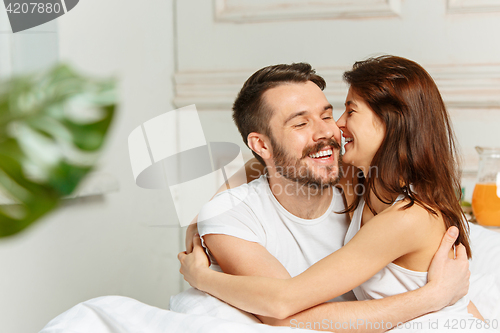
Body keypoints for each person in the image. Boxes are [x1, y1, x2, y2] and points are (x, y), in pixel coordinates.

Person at [178, 60, 473, 331]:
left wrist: (202, 278)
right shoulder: (360, 178)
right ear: (262, 145)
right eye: (301, 123)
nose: (333, 129)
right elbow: (269, 163)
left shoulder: (394, 207)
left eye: (331, 114)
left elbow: (283, 304)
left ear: (390, 123)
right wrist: (205, 218)